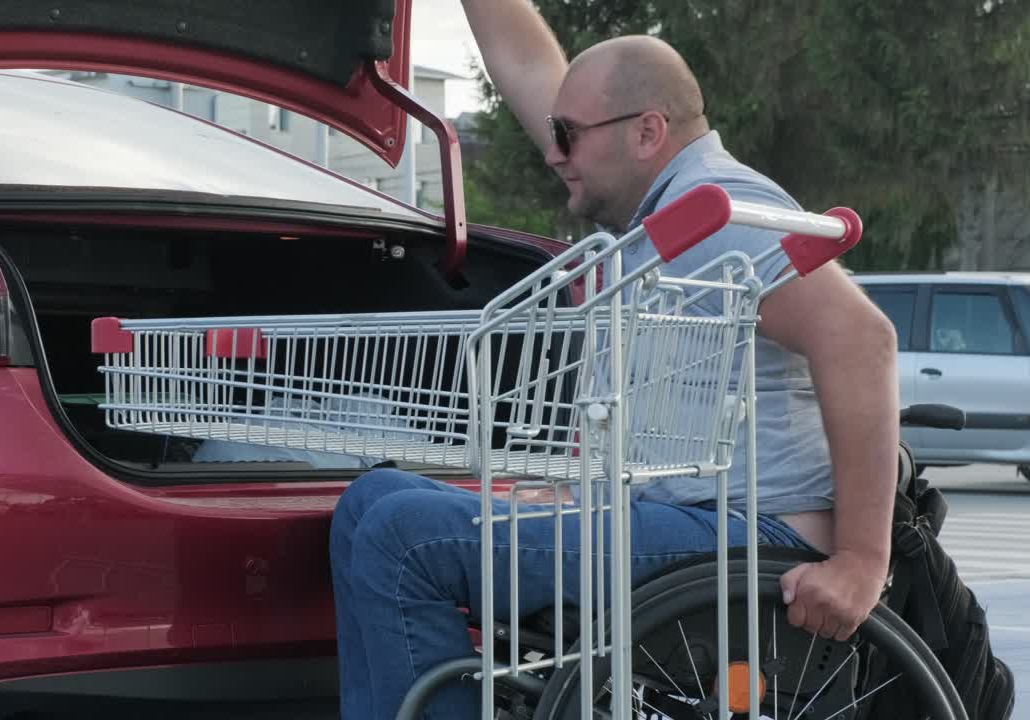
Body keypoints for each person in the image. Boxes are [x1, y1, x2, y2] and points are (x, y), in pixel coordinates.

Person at [328, 2, 901, 717]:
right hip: (682, 518)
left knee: (402, 539)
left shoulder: (714, 215)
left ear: (647, 133)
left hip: (748, 536)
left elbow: (863, 340)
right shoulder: (660, 206)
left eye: (566, 136)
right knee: (370, 503)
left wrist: (859, 563)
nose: (551, 151)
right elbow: (532, 68)